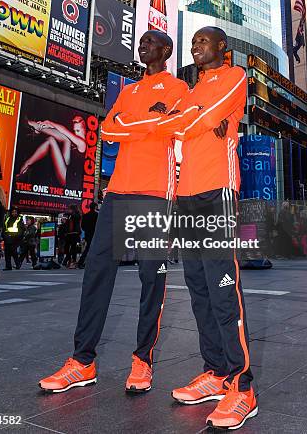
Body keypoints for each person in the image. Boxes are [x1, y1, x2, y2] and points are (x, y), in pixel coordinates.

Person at [39, 30, 188, 395]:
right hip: (118, 191)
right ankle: (82, 361)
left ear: (166, 50)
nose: (142, 45)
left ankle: (142, 360)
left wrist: (134, 125)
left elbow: (171, 125)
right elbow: (109, 129)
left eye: (150, 41)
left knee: (151, 277)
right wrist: (148, 123)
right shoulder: (129, 90)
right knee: (96, 271)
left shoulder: (177, 88)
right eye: (140, 41)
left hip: (155, 192)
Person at [147, 27, 257, 430]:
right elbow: (172, 126)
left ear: (222, 47)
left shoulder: (234, 77)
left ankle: (242, 387)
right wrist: (191, 119)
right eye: (192, 43)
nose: (196, 47)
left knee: (224, 289)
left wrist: (189, 120)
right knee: (198, 288)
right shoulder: (191, 90)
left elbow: (201, 118)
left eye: (203, 41)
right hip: (186, 195)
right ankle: (215, 372)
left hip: (217, 191)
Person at [18, 115, 87, 188]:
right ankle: (37, 126)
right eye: (74, 131)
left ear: (84, 130)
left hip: (68, 180)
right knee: (67, 139)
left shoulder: (82, 144)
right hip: (67, 168)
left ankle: (27, 164)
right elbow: (63, 133)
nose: (76, 133)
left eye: (78, 131)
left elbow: (65, 131)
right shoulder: (77, 141)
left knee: (51, 140)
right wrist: (50, 126)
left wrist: (50, 123)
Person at [77, 204, 98, 269]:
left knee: (88, 248)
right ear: (95, 207)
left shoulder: (85, 215)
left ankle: (81, 262)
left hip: (88, 234)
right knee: (94, 249)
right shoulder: (96, 215)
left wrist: (87, 230)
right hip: (94, 234)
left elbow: (82, 226)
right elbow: (98, 225)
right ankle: (88, 262)